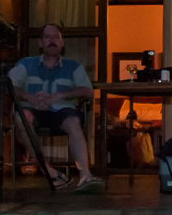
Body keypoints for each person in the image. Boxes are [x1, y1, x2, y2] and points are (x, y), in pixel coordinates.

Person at [8, 23, 104, 192]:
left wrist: (59, 95)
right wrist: (29, 96)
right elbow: (8, 86)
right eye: (47, 37)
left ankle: (85, 175)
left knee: (73, 120)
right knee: (21, 118)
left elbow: (88, 91)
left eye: (56, 37)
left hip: (61, 109)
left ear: (62, 42)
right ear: (40, 43)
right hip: (32, 108)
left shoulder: (73, 66)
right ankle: (51, 172)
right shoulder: (26, 64)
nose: (52, 41)